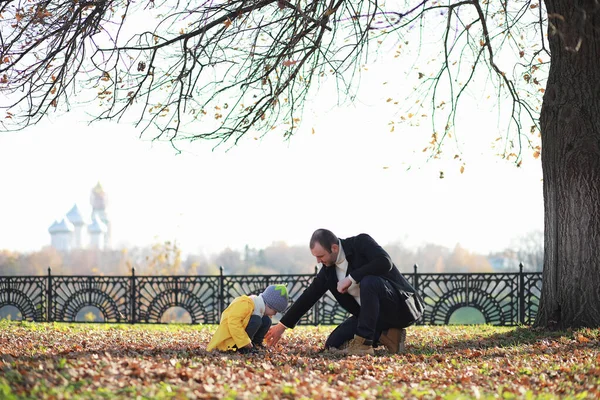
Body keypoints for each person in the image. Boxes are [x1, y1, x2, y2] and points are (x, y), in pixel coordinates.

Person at [265, 229, 424, 355]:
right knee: (332, 344)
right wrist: (282, 325)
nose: (318, 261)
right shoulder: (329, 272)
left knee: (369, 281)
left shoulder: (360, 243)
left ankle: (364, 345)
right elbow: (308, 297)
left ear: (334, 248)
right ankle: (390, 336)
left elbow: (385, 262)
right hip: (372, 317)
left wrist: (351, 278)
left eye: (321, 256)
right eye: (316, 257)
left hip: (400, 308)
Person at [207, 284, 289, 353]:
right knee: (257, 320)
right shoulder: (246, 304)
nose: (275, 314)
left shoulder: (258, 308)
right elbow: (233, 323)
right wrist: (244, 342)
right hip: (230, 340)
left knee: (266, 321)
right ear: (269, 305)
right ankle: (243, 348)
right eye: (275, 311)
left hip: (241, 336)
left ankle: (255, 344)